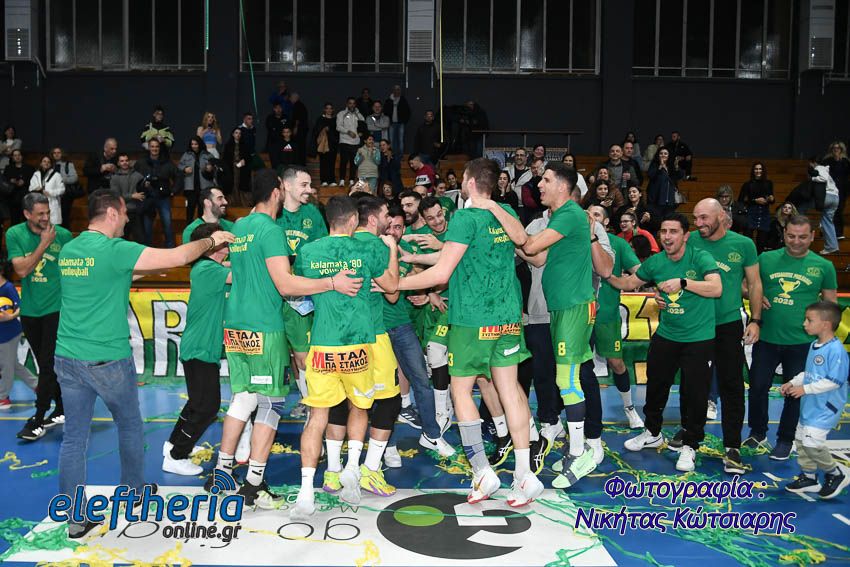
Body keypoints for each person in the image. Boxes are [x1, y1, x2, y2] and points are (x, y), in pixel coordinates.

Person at [55, 189, 235, 538]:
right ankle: (134, 493)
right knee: (129, 426)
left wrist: (150, 269)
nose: (127, 219)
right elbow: (177, 255)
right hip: (107, 359)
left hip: (67, 357)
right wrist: (212, 240)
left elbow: (110, 278)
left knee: (74, 439)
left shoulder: (70, 250)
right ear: (111, 213)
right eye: (124, 213)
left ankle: (75, 519)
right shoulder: (114, 249)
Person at [205, 170, 360, 509]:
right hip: (263, 325)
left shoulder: (239, 227)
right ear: (277, 192)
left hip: (235, 324)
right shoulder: (270, 230)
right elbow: (286, 284)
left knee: (243, 399)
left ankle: (221, 473)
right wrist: (331, 283)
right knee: (271, 404)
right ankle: (253, 484)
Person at [398, 158, 544, 507]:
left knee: (461, 389)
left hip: (473, 319)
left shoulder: (464, 218)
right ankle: (525, 475)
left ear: (470, 181)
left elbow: (442, 273)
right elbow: (472, 254)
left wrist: (396, 283)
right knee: (510, 391)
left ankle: (481, 470)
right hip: (507, 318)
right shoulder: (505, 212)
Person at [290, 196, 391, 518]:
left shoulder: (308, 251)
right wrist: (390, 248)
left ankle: (306, 491)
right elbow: (391, 285)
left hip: (322, 345)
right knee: (360, 407)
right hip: (358, 344)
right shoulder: (367, 248)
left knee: (317, 417)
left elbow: (296, 291)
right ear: (353, 221)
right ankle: (351, 469)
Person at [610, 213, 722, 472]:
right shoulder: (656, 262)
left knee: (695, 394)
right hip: (667, 335)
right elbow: (629, 282)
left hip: (698, 338)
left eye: (673, 231)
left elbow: (716, 288)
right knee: (656, 386)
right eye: (663, 231)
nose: (667, 237)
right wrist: (605, 274)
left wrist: (684, 282)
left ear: (685, 235)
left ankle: (690, 444)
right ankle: (652, 432)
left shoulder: (700, 257)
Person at [518, 163, 603, 488]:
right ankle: (578, 449)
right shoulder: (562, 218)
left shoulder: (570, 214)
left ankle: (580, 452)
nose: (539, 184)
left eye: (546, 179)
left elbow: (531, 246)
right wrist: (515, 243)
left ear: (563, 187)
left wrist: (506, 225)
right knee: (568, 377)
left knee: (567, 380)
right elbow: (538, 258)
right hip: (564, 308)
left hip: (573, 307)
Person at [743, 215, 837, 461]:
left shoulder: (823, 266)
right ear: (784, 234)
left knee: (794, 392)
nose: (796, 241)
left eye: (802, 237)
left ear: (812, 236)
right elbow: (745, 286)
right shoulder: (766, 259)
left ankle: (785, 439)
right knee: (758, 387)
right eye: (791, 236)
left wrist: (824, 338)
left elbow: (831, 304)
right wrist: (756, 296)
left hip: (802, 342)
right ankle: (757, 432)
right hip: (766, 337)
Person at [688, 198, 762, 475]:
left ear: (721, 216)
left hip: (729, 324)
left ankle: (732, 445)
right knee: (694, 384)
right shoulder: (689, 240)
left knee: (732, 386)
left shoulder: (743, 244)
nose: (699, 223)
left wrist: (756, 320)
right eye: (696, 218)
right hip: (696, 323)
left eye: (704, 218)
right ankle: (691, 439)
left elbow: (754, 283)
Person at [383, 205, 453, 456]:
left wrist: (428, 292)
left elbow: (421, 274)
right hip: (376, 328)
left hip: (402, 324)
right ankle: (387, 445)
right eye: (390, 226)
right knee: (384, 389)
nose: (394, 231)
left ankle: (432, 435)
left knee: (422, 380)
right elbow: (390, 292)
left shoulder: (406, 250)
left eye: (399, 227)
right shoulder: (373, 250)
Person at [163, 223, 232, 476]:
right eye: (222, 241)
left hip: (200, 347)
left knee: (196, 403)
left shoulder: (207, 267)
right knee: (208, 407)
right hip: (200, 348)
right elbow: (244, 275)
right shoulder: (207, 269)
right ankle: (177, 455)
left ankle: (172, 444)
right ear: (210, 246)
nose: (228, 246)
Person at [7, 193, 73, 438]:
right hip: (30, 310)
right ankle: (62, 408)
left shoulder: (63, 236)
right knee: (46, 364)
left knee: (47, 364)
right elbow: (22, 270)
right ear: (27, 214)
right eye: (40, 214)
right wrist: (44, 244)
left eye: (48, 213)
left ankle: (37, 419)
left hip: (57, 309)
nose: (46, 218)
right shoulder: (15, 234)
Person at [275, 166, 329, 418]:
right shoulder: (271, 213)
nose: (310, 190)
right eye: (304, 185)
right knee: (288, 355)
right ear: (286, 185)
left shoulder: (312, 214)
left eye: (310, 185)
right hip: (275, 295)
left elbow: (324, 248)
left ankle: (312, 403)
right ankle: (305, 398)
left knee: (304, 354)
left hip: (304, 294)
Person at [782, 301, 850, 499]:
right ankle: (809, 477)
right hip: (810, 406)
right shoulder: (814, 345)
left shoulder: (836, 350)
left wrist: (804, 389)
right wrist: (793, 382)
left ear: (826, 324)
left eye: (809, 320)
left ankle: (835, 473)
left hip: (826, 408)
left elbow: (834, 381)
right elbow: (809, 373)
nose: (804, 323)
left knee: (812, 443)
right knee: (801, 440)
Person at [586, 205, 643, 430]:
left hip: (606, 314)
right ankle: (576, 413)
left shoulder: (618, 244)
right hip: (579, 313)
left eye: (597, 214)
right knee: (577, 365)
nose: (591, 218)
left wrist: (623, 279)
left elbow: (639, 270)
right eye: (588, 214)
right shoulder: (575, 240)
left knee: (616, 362)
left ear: (606, 221)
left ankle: (629, 408)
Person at [0, 257, 38, 411]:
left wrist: (10, 317)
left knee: (6, 366)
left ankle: (3, 398)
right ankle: (38, 386)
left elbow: (21, 307)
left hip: (9, 333)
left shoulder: (8, 288)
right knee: (12, 364)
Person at [133, 139, 178, 248]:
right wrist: (142, 185)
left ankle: (170, 249)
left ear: (159, 148)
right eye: (152, 146)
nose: (154, 149)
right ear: (149, 147)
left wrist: (173, 191)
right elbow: (135, 179)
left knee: (167, 225)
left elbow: (178, 176)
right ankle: (148, 250)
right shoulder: (141, 162)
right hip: (147, 198)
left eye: (157, 146)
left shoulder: (167, 162)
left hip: (163, 198)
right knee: (147, 227)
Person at [738, 162, 775, 253]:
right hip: (751, 212)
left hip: (764, 213)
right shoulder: (747, 184)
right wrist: (755, 201)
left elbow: (772, 199)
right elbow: (741, 200)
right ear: (753, 171)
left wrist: (771, 199)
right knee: (748, 238)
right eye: (756, 169)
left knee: (762, 240)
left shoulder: (769, 183)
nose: (758, 171)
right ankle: (748, 257)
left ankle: (760, 258)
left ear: (763, 170)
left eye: (760, 169)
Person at [178, 136, 216, 223]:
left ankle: (201, 226)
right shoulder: (186, 155)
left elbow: (215, 167)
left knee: (202, 209)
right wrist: (184, 169)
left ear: (200, 144)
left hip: (204, 187)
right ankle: (189, 226)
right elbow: (179, 166)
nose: (194, 146)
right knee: (190, 208)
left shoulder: (208, 155)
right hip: (190, 186)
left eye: (196, 144)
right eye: (192, 144)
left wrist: (210, 168)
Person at [109, 153, 145, 243]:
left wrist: (146, 186)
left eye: (126, 160)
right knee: (121, 240)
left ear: (129, 162)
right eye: (122, 161)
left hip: (136, 212)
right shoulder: (114, 178)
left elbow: (145, 191)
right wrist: (132, 196)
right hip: (121, 213)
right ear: (118, 163)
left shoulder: (138, 175)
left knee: (140, 240)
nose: (124, 163)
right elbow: (116, 196)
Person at [810, 159, 840, 254]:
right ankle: (832, 246)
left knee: (803, 205)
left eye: (810, 163)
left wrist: (812, 179)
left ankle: (818, 226)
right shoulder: (827, 170)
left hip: (827, 196)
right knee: (828, 222)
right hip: (835, 197)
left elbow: (823, 178)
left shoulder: (819, 168)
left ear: (813, 162)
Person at [646, 147, 682, 221]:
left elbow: (679, 176)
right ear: (658, 155)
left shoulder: (671, 166)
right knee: (657, 221)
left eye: (665, 154)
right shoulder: (654, 165)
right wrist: (660, 167)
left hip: (670, 200)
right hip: (657, 200)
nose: (663, 155)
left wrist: (676, 166)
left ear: (668, 156)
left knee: (668, 221)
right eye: (661, 153)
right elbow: (650, 175)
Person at [28, 155, 66, 226]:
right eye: (44, 161)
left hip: (51, 202)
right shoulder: (36, 174)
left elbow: (62, 189)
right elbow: (30, 187)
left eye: (48, 162)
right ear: (41, 163)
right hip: (38, 202)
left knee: (52, 226)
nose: (46, 163)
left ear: (51, 164)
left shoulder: (56, 175)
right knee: (39, 225)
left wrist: (50, 192)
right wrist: (37, 189)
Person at [823, 141, 849, 239]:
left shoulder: (846, 162)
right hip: (829, 189)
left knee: (839, 210)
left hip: (842, 190)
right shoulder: (827, 161)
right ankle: (826, 233)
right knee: (828, 211)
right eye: (834, 148)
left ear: (841, 150)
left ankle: (838, 233)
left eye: (838, 148)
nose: (836, 150)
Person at [51, 147, 81, 230]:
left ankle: (65, 234)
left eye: (58, 152)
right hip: (53, 194)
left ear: (62, 154)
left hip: (65, 194)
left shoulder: (68, 164)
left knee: (65, 216)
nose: (56, 154)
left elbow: (74, 178)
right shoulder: (50, 165)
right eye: (54, 153)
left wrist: (61, 179)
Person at [336, 97, 364, 186]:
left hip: (355, 142)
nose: (352, 105)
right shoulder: (341, 113)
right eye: (350, 103)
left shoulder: (358, 114)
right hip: (344, 141)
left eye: (353, 103)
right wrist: (348, 132)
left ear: (355, 105)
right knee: (343, 161)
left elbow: (363, 123)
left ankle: (352, 180)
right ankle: (342, 180)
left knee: (353, 162)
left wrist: (361, 132)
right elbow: (338, 127)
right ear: (347, 104)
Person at [3, 149, 34, 225]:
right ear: (12, 157)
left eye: (19, 155)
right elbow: (4, 181)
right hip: (13, 198)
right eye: (15, 155)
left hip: (26, 197)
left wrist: (24, 182)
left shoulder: (29, 168)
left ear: (22, 156)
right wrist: (11, 181)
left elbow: (34, 181)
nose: (17, 157)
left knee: (27, 220)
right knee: (14, 221)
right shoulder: (8, 168)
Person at [222, 127, 251, 205]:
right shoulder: (228, 145)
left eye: (239, 133)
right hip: (231, 168)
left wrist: (244, 160)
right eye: (236, 133)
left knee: (240, 183)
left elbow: (249, 158)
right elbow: (225, 158)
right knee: (232, 183)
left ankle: (241, 201)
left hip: (242, 168)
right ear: (233, 134)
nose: (238, 135)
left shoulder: (244, 145)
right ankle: (233, 201)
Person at [312, 103, 339, 187]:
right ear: (324, 109)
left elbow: (337, 132)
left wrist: (330, 130)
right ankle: (323, 180)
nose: (329, 110)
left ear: (333, 110)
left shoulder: (335, 120)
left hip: (333, 145)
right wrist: (323, 129)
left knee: (332, 163)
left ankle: (332, 180)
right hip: (323, 145)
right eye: (327, 108)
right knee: (323, 163)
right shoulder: (320, 119)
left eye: (330, 108)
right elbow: (316, 131)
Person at [384, 85, 411, 155]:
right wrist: (388, 121)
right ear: (393, 91)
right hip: (391, 123)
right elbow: (385, 111)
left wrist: (404, 121)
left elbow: (408, 112)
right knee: (391, 140)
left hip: (400, 123)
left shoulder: (403, 100)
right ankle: (392, 155)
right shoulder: (389, 100)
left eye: (398, 89)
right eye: (395, 89)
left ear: (400, 91)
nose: (397, 91)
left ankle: (401, 156)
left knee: (401, 140)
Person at [265, 102, 289, 170]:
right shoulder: (270, 118)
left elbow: (287, 129)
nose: (278, 109)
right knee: (275, 164)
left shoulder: (286, 117)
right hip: (273, 144)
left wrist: (277, 128)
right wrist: (280, 127)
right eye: (276, 108)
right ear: (274, 109)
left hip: (284, 143)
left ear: (282, 108)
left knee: (285, 163)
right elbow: (271, 129)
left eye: (280, 108)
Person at [289, 92, 310, 166]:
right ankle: (301, 162)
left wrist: (295, 128)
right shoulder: (301, 105)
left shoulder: (297, 106)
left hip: (299, 131)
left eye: (291, 98)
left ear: (295, 98)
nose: (290, 99)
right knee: (301, 146)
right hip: (302, 130)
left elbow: (297, 118)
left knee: (298, 146)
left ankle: (299, 162)